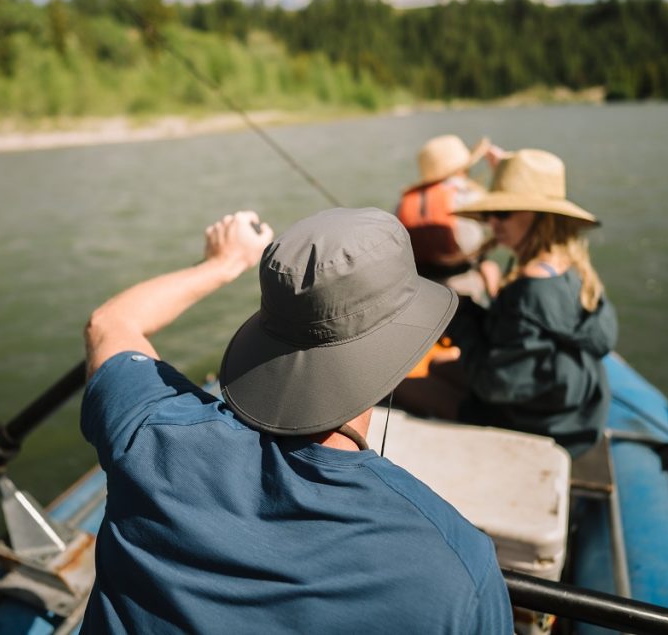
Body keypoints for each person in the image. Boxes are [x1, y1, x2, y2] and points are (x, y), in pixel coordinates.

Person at [80, 208, 513, 633]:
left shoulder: (150, 434)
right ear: (401, 353)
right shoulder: (455, 568)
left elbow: (110, 322)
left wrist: (223, 263)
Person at [397, 149, 618, 458]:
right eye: (489, 214)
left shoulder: (530, 289)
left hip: (544, 424)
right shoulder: (570, 266)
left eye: (503, 214)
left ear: (542, 218)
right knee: (435, 364)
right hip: (574, 407)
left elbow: (495, 385)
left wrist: (460, 320)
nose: (492, 222)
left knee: (401, 388)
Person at [395, 134, 501, 300]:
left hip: (419, 289)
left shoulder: (404, 202)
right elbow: (503, 219)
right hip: (461, 286)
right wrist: (499, 172)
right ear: (462, 169)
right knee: (490, 266)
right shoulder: (466, 195)